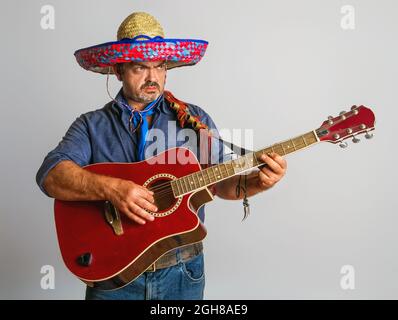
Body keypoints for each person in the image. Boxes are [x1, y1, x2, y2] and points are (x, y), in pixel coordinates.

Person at [36, 12, 287, 300]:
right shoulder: (91, 125)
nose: (152, 77)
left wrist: (258, 183)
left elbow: (222, 184)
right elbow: (50, 175)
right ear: (118, 70)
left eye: (160, 66)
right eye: (140, 67)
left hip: (182, 272)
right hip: (114, 278)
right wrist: (113, 189)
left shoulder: (194, 120)